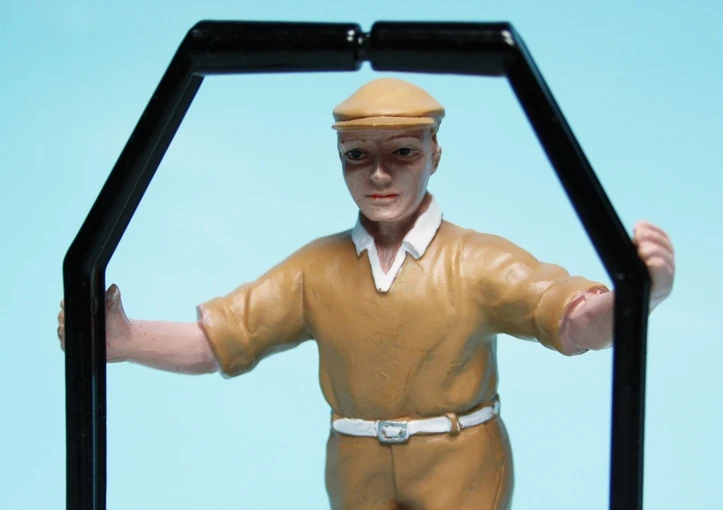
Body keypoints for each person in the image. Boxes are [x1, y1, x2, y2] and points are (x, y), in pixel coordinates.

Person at [57, 78, 675, 510]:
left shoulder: (477, 262)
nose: (379, 174)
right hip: (354, 463)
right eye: (357, 155)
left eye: (402, 152)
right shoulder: (316, 270)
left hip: (458, 460)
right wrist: (125, 340)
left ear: (434, 153)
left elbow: (570, 321)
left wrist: (635, 298)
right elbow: (218, 341)